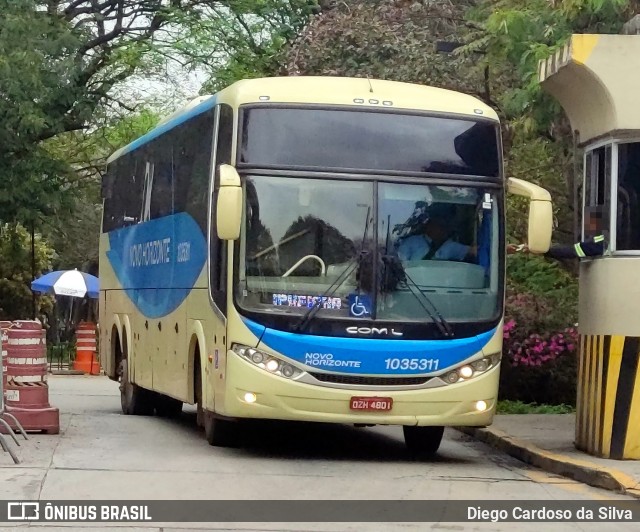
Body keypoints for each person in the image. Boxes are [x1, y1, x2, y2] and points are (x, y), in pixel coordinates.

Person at [396, 204, 476, 261]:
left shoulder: (450, 246)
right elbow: (400, 264)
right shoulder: (411, 242)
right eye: (438, 224)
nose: (442, 229)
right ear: (429, 225)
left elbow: (473, 251)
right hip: (413, 284)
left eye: (444, 225)